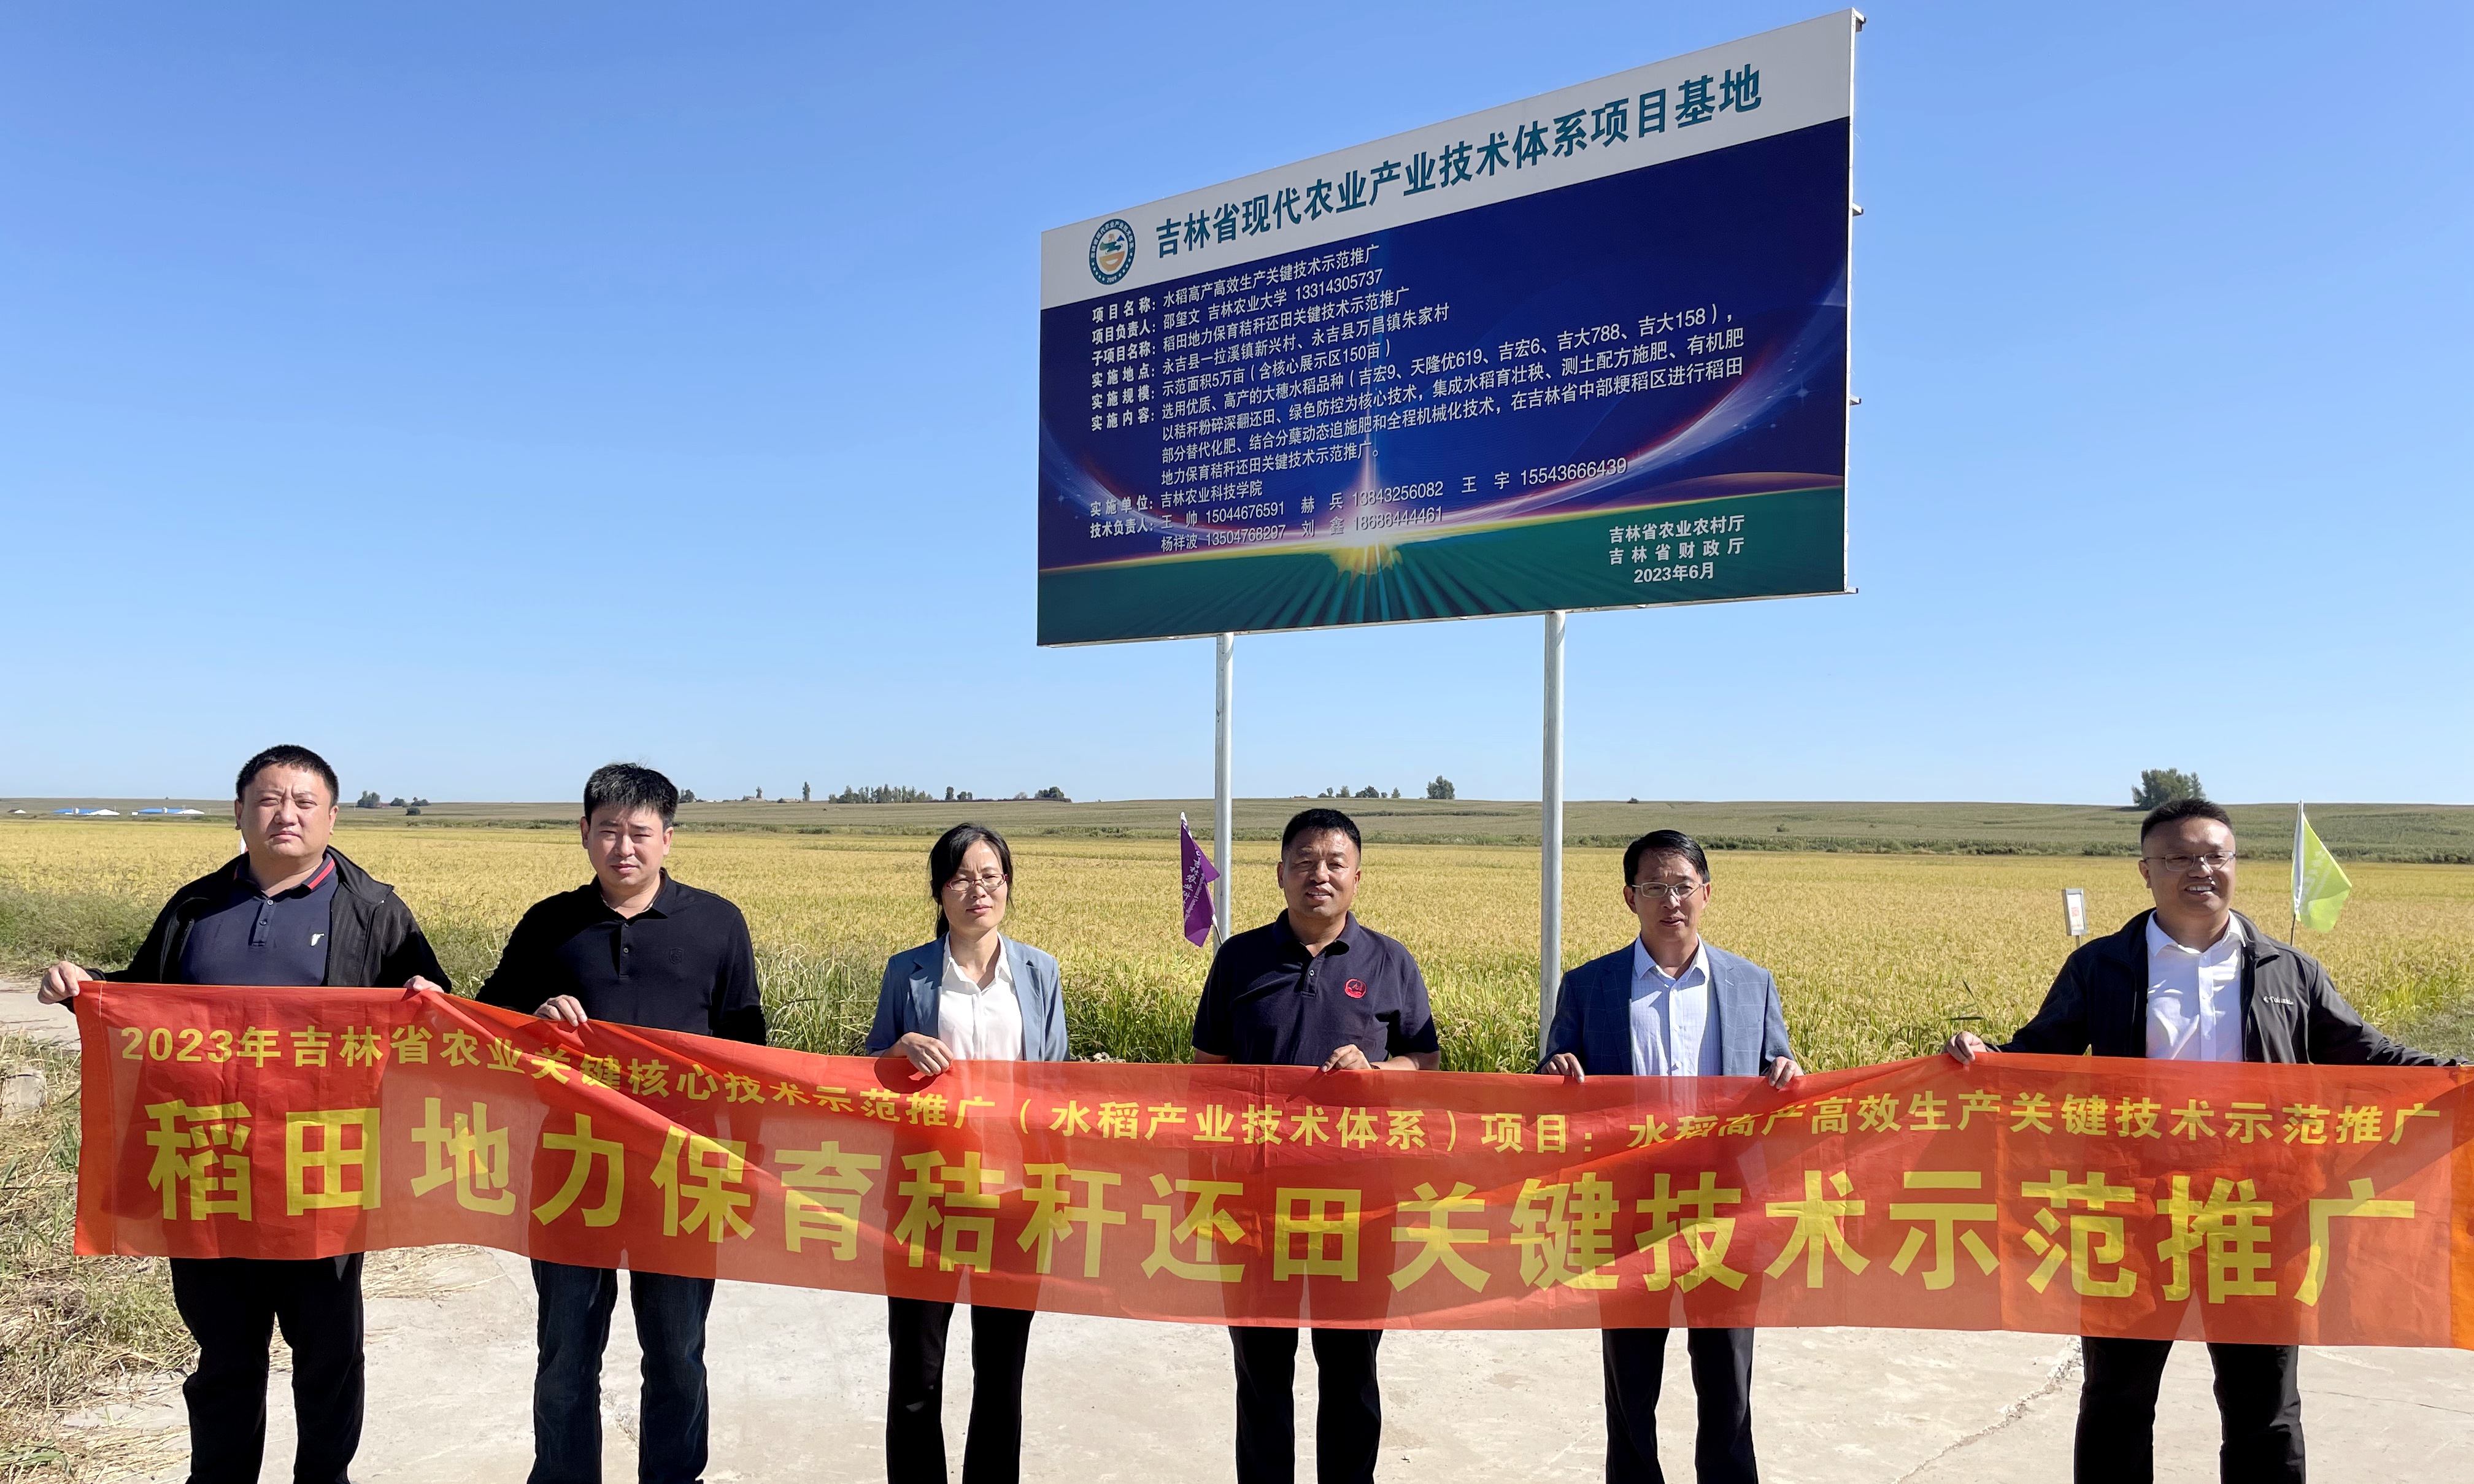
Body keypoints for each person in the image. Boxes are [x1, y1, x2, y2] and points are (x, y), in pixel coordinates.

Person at [1941, 798, 2464, 1484]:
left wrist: (2458, 1077)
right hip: (2132, 1213)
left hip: (2259, 1213)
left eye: (2216, 856)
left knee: (2264, 1404)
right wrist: (1985, 1057)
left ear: (2235, 864)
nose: (2201, 870)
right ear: (2146, 870)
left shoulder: (2288, 969)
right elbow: (2040, 1054)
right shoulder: (2101, 966)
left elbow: (2370, 1055)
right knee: (2117, 1396)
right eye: (2180, 857)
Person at [38, 744, 449, 1484]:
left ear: (331, 816)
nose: (285, 814)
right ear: (240, 811)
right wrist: (84, 987)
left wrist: (430, 999)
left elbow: (433, 1015)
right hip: (210, 1167)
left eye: (304, 801)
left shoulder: (374, 911)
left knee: (329, 1355)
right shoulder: (196, 907)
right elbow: (140, 999)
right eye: (268, 799)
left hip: (321, 1171)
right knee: (225, 1356)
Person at [476, 763, 763, 1484]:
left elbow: (750, 1056)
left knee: (677, 1353)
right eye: (608, 830)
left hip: (681, 1174)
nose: (624, 847)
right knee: (566, 1355)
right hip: (573, 1170)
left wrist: (748, 1166)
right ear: (584, 833)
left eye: (640, 832)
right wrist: (534, 1018)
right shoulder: (549, 924)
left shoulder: (718, 924)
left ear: (668, 837)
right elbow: (483, 1024)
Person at [1538, 829, 1798, 1484]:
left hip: (1726, 1209)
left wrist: (1788, 1073)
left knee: (1728, 1383)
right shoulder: (1590, 985)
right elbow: (1549, 1079)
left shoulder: (1751, 983)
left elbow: (1783, 1072)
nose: (1670, 900)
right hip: (1629, 1207)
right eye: (1654, 886)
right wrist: (1555, 1070)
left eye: (1683, 885)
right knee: (1630, 1385)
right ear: (1630, 897)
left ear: (1707, 893)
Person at [1190, 807, 1439, 1484]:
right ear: (1280, 873)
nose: (1319, 875)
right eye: (1304, 861)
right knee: (1261, 1372)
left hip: (1358, 1207)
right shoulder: (1239, 958)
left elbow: (1427, 1063)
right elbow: (1207, 1073)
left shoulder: (1390, 961)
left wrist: (1376, 1072)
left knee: (1351, 1368)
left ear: (1358, 876)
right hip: (1255, 1203)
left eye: (1334, 863)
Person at [862, 823, 1068, 1484]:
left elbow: (1058, 1081)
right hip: (926, 1194)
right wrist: (896, 1052)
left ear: (1007, 885)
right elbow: (868, 1068)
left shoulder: (1039, 972)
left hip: (1016, 1199)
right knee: (916, 1376)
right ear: (939, 890)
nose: (978, 890)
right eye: (961, 878)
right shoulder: (909, 971)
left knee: (1001, 1376)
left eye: (990, 877)